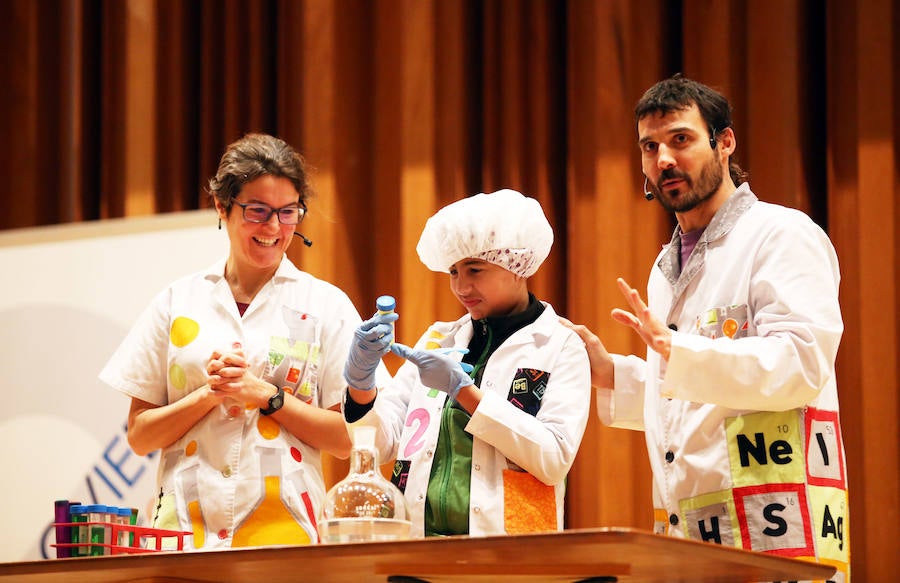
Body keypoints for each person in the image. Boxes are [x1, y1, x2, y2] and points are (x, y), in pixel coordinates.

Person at [562, 74, 850, 578]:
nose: (664, 160)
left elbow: (802, 365)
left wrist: (675, 350)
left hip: (777, 525)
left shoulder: (781, 234)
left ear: (724, 141)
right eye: (650, 147)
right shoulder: (663, 267)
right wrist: (616, 376)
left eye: (681, 139)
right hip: (691, 531)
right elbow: (691, 397)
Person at [99, 133, 389, 550]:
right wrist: (210, 394)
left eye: (288, 213)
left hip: (284, 538)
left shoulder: (325, 305)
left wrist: (266, 395)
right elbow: (141, 436)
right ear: (222, 206)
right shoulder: (178, 301)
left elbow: (348, 440)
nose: (273, 228)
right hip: (181, 534)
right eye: (258, 211)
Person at [341, 189, 591, 537]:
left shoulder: (560, 346)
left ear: (516, 264)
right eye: (454, 271)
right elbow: (380, 443)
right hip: (416, 548)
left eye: (475, 269)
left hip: (505, 557)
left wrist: (465, 393)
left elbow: (553, 458)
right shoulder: (438, 340)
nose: (461, 286)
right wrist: (361, 384)